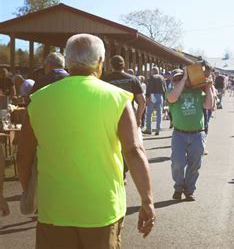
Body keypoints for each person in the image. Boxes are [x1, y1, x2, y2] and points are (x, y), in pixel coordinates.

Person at [16, 34, 155, 248]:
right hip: (102, 210)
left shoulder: (39, 99)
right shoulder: (117, 98)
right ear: (100, 62)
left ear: (68, 61)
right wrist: (147, 200)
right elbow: (134, 150)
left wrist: (30, 192)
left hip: (54, 210)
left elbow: (23, 154)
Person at [167, 68, 214, 201]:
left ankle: (189, 190)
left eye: (180, 78)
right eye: (175, 79)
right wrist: (183, 80)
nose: (178, 81)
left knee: (195, 164)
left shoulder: (197, 91)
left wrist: (209, 88)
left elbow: (209, 105)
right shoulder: (171, 92)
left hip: (197, 134)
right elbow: (172, 98)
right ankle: (178, 187)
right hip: (179, 134)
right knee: (178, 162)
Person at [144, 67, 166, 135]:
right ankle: (158, 129)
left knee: (149, 113)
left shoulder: (152, 77)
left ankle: (149, 129)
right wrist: (164, 98)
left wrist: (147, 96)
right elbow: (165, 88)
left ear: (153, 71)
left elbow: (149, 87)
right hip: (160, 96)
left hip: (152, 96)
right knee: (159, 114)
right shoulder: (162, 78)